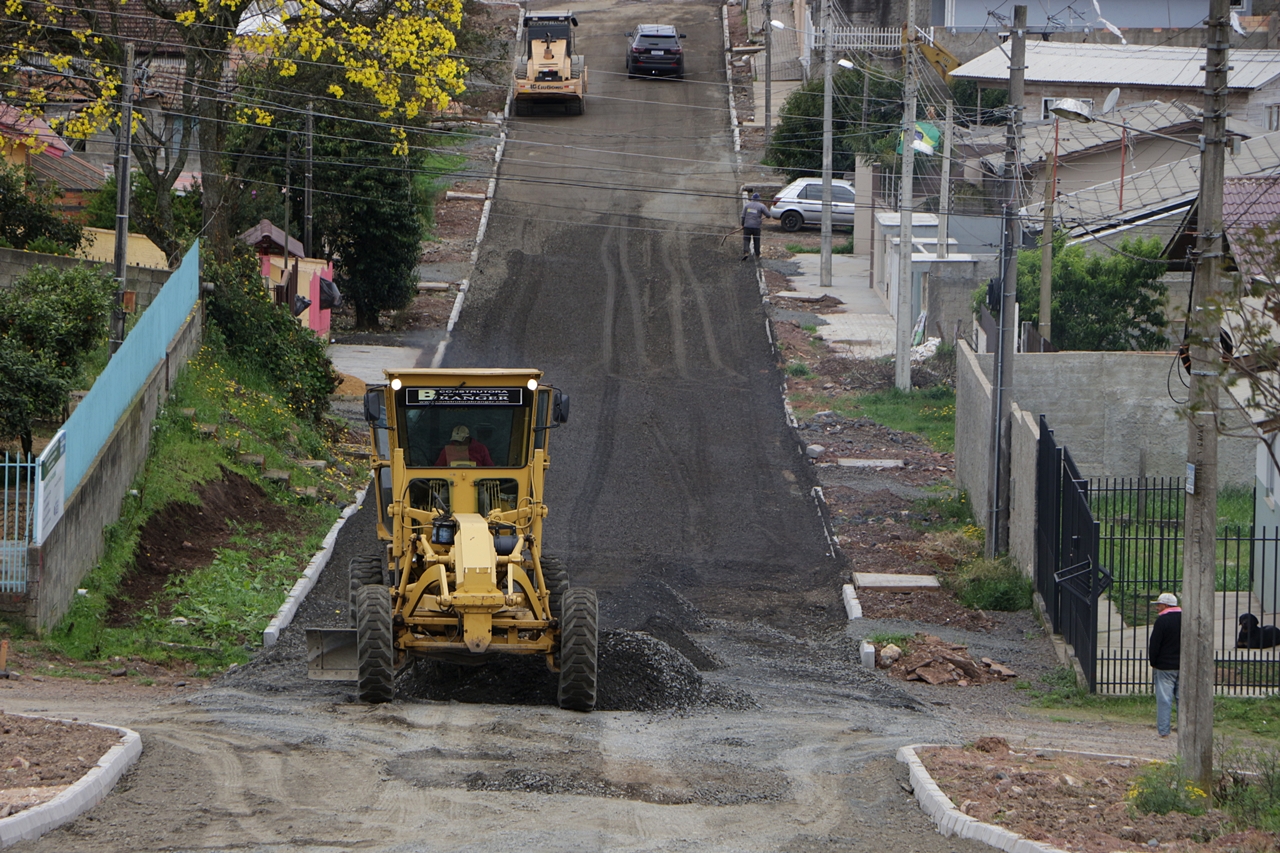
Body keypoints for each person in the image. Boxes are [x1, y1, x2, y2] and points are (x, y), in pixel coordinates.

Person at [1147, 592, 1182, 738]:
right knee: (1183, 700)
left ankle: (1164, 731)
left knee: (1164, 699)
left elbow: (1155, 644)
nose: (1157, 608)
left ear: (1166, 605)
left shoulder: (1162, 621)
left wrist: (1153, 662)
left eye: (1159, 605)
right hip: (1183, 665)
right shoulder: (1186, 619)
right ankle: (1184, 729)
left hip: (1165, 666)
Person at [741, 192, 770, 261]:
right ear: (759, 199)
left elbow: (743, 216)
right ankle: (757, 254)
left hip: (747, 226)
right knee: (756, 240)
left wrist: (742, 224)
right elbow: (768, 215)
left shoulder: (747, 205)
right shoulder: (761, 206)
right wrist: (765, 215)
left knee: (746, 240)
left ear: (752, 199)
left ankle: (746, 252)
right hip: (756, 226)